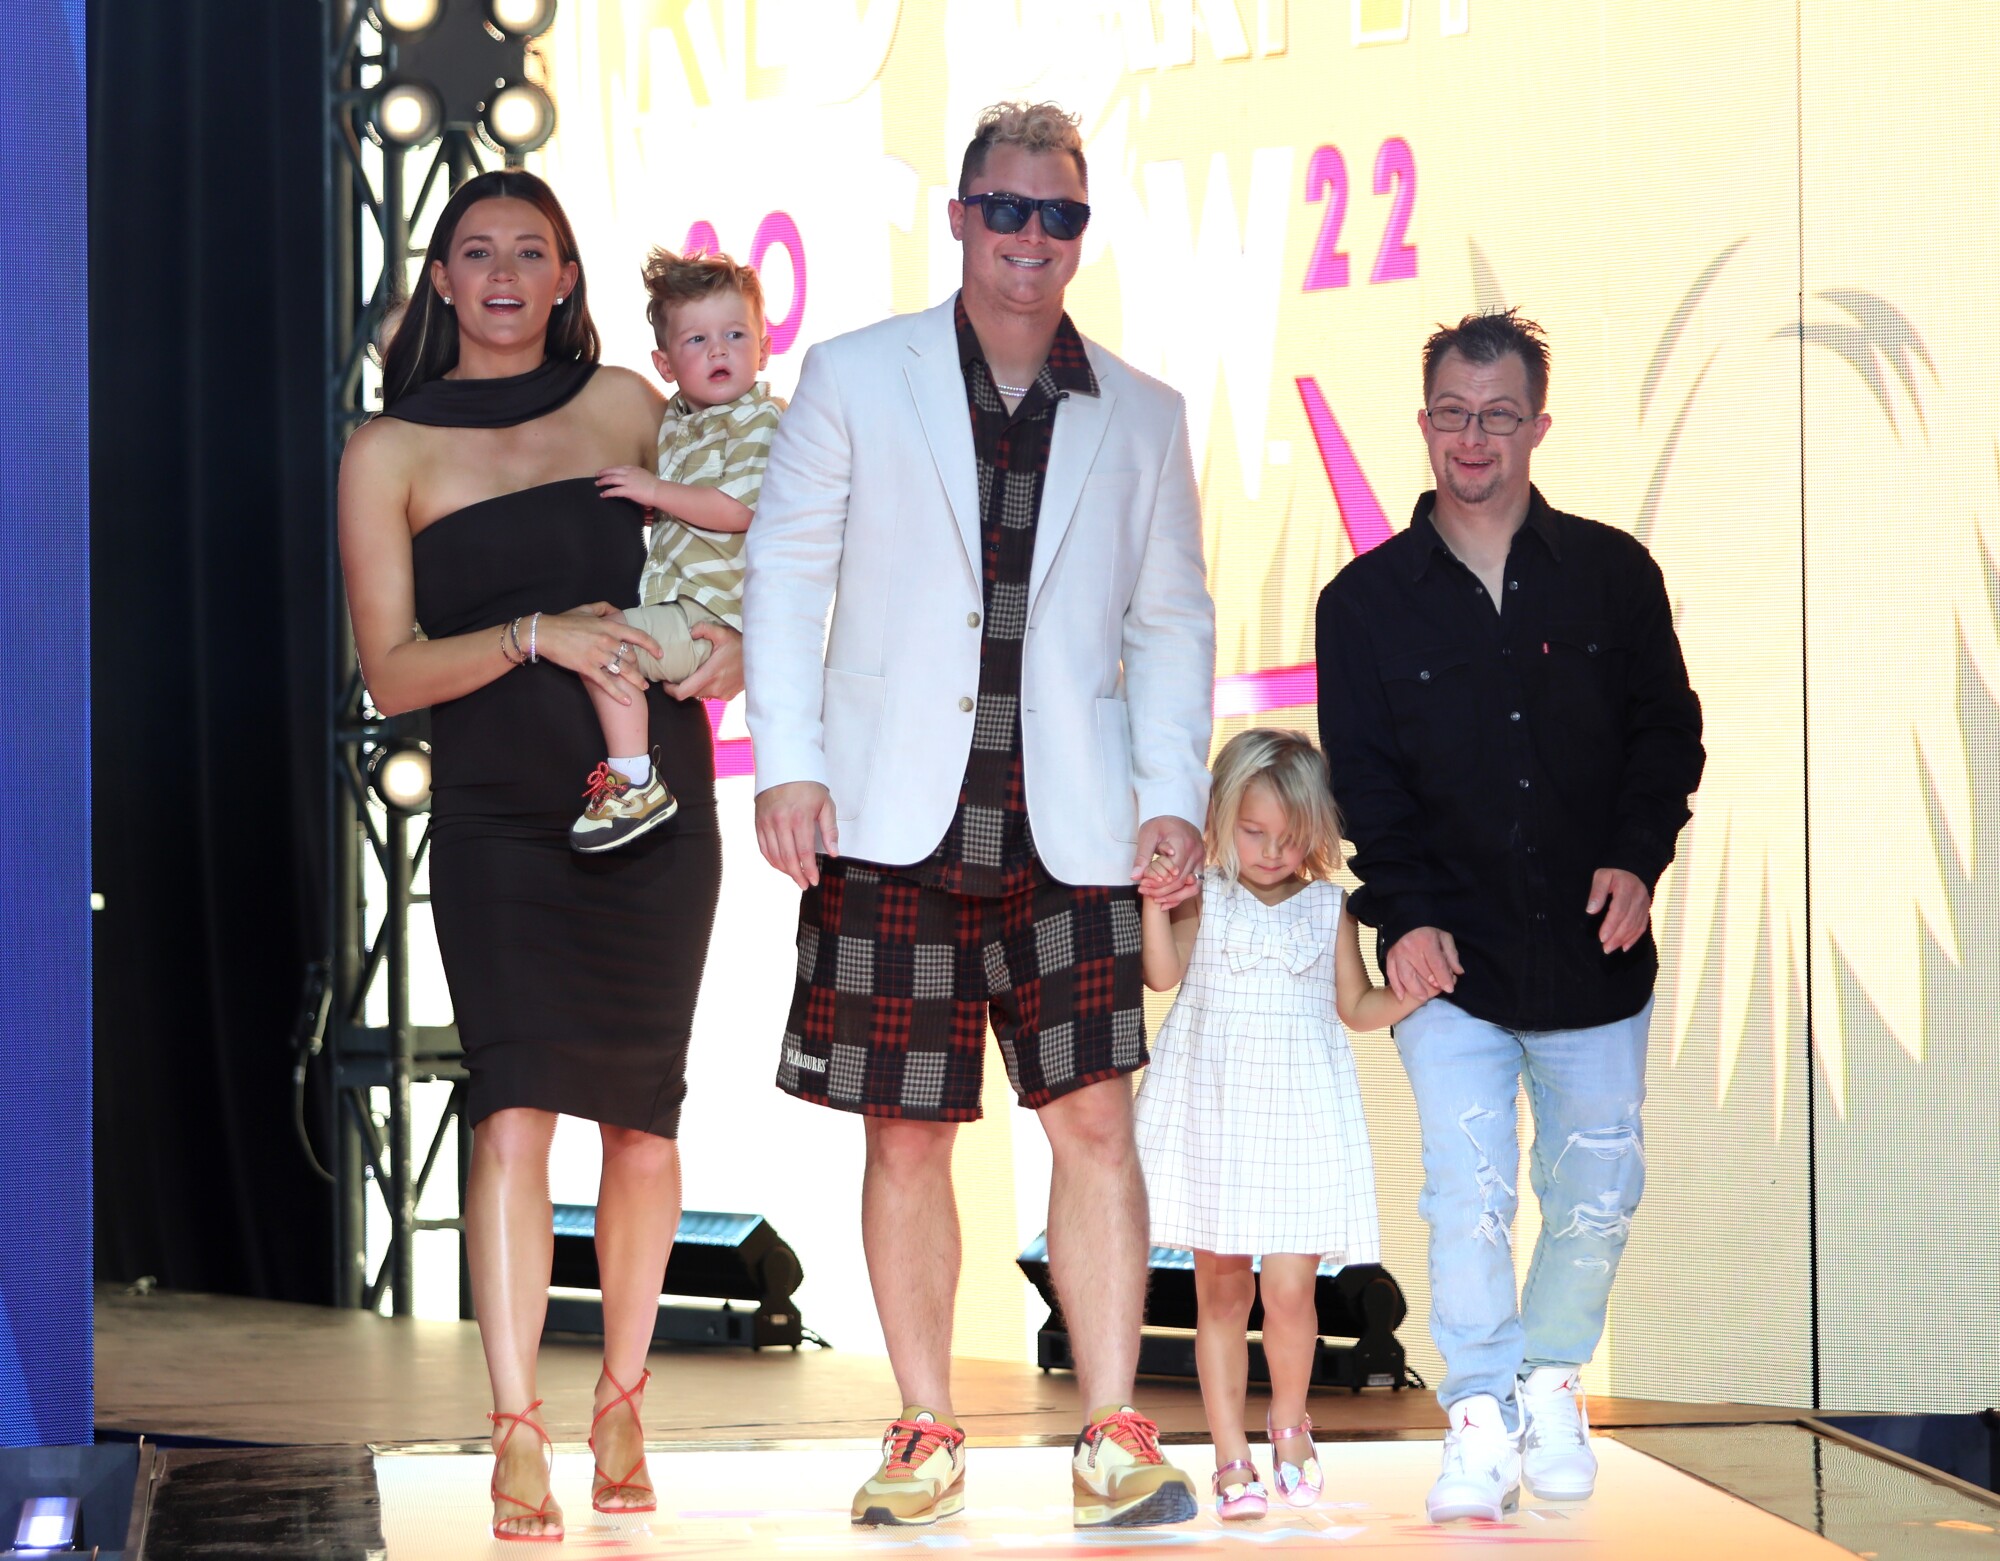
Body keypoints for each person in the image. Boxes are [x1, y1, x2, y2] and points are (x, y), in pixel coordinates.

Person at [743, 102, 1215, 1529]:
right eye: (1006, 210)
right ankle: (925, 1425)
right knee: (904, 1134)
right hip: (892, 818)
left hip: (1071, 825)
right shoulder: (855, 375)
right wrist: (786, 763)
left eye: (1058, 216)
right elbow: (783, 574)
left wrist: (1174, 798)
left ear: (1082, 233)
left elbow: (1174, 620)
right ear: (959, 218)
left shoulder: (1143, 411)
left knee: (1096, 1124)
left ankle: (1114, 1431)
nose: (1029, 238)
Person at [338, 169, 741, 1542]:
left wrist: (737, 645)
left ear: (566, 277)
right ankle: (515, 1426)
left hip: (649, 794)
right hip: (502, 810)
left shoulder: (633, 403)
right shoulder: (388, 450)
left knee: (643, 1114)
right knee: (513, 1107)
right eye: (476, 252)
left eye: (532, 250)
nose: (505, 273)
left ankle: (620, 1398)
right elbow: (390, 673)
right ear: (439, 277)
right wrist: (533, 636)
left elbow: (753, 525)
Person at [1315, 309, 1704, 1523]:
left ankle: (1548, 1378)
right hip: (1449, 961)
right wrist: (1403, 914)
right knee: (1465, 1195)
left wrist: (1639, 860)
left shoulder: (1610, 573)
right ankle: (1477, 1411)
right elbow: (1364, 782)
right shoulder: (1364, 602)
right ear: (1422, 420)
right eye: (1449, 413)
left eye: (1496, 415)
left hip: (1596, 955)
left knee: (1597, 1192)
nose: (1470, 438)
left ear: (1536, 424)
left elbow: (1667, 737)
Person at [1133, 729, 1415, 1521]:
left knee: (1290, 1291)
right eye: (1254, 831)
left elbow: (1357, 1007)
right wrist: (1156, 908)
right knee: (1221, 1293)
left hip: (1298, 1115)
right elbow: (1162, 974)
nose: (1269, 850)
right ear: (1223, 815)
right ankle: (1229, 1455)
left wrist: (1411, 992)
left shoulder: (1329, 907)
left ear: (1316, 832)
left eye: (1288, 837)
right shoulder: (1205, 892)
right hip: (1216, 1113)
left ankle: (1290, 1419)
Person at [573, 248, 784, 853]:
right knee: (599, 630)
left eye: (735, 334)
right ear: (664, 364)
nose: (719, 350)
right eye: (697, 340)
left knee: (606, 648)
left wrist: (655, 490)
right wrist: (656, 503)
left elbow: (739, 508)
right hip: (681, 606)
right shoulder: (677, 423)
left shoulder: (762, 421)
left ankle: (634, 780)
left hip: (716, 616)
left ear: (764, 348)